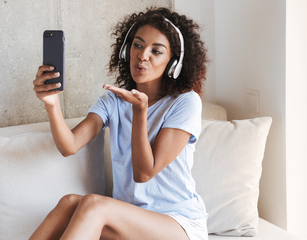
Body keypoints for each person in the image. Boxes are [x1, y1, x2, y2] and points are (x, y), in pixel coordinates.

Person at [31, 7, 208, 240]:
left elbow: (144, 173)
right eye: (138, 45)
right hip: (129, 221)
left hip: (178, 225)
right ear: (126, 50)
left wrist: (139, 111)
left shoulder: (185, 102)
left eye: (156, 51)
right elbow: (69, 146)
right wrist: (52, 104)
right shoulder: (112, 102)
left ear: (173, 62)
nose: (143, 55)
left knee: (95, 204)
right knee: (69, 203)